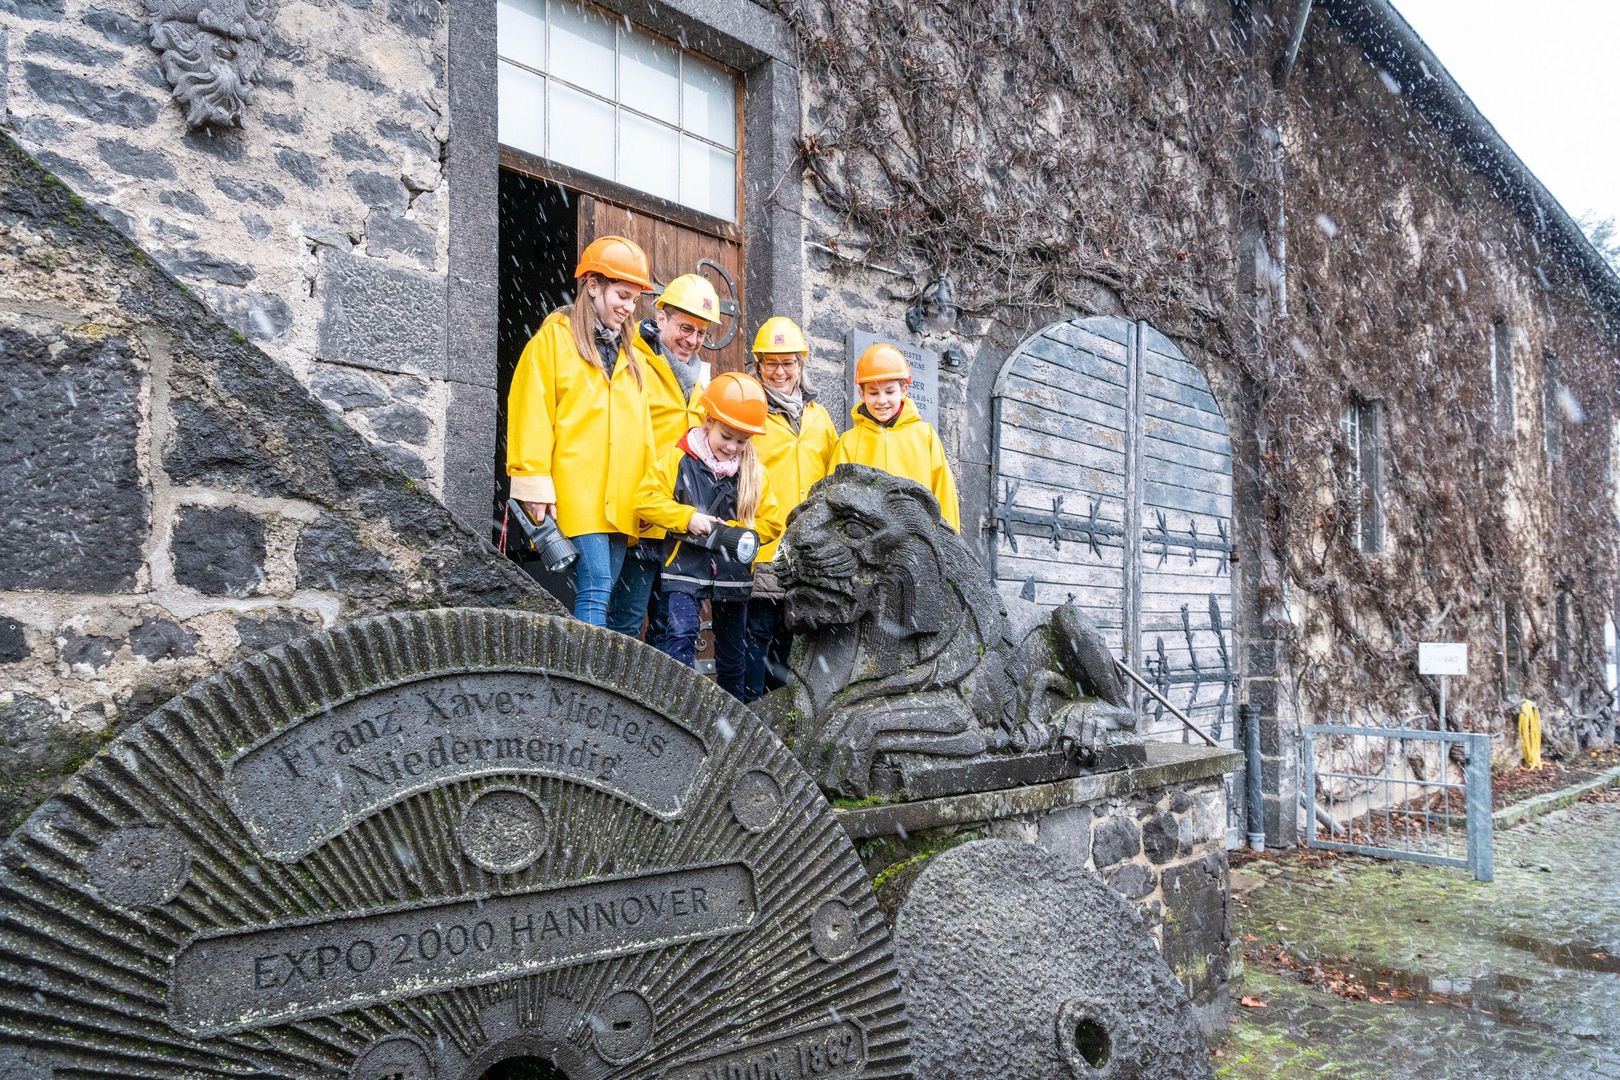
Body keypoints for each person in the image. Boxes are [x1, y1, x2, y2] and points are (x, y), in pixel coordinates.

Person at [506, 235, 656, 626]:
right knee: (596, 586)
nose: (629, 308)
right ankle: (588, 668)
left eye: (634, 299)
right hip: (576, 490)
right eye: (622, 295)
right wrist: (532, 480)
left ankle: (600, 666)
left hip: (623, 499)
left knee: (610, 592)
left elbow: (644, 433)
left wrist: (649, 495)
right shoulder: (553, 341)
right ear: (592, 285)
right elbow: (532, 411)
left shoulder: (634, 357)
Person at [636, 372, 783, 700]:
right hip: (685, 567)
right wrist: (687, 519)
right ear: (708, 422)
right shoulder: (679, 459)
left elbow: (772, 521)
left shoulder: (754, 473)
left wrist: (736, 533)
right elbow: (645, 499)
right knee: (680, 639)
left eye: (742, 442)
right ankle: (679, 709)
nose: (732, 448)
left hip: (733, 572)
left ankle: (732, 717)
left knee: (733, 654)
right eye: (726, 436)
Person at [606, 273, 721, 644]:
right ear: (661, 316)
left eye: (701, 333)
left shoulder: (700, 381)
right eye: (685, 328)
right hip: (641, 520)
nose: (692, 340)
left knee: (670, 631)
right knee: (625, 624)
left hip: (684, 527)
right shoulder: (632, 360)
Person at [742, 316, 837, 702]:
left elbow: (832, 478)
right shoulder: (748, 408)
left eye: (788, 363)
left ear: (801, 363)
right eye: (771, 363)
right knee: (755, 635)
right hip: (762, 542)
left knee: (791, 642)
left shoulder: (819, 417)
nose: (780, 372)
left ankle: (778, 718)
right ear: (758, 364)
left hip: (804, 551)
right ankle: (748, 712)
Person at [830, 342, 961, 531]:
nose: (882, 400)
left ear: (904, 390)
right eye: (873, 393)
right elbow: (834, 498)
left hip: (916, 540)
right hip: (865, 542)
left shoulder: (925, 436)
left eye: (890, 391)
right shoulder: (848, 442)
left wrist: (948, 540)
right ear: (861, 393)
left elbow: (944, 496)